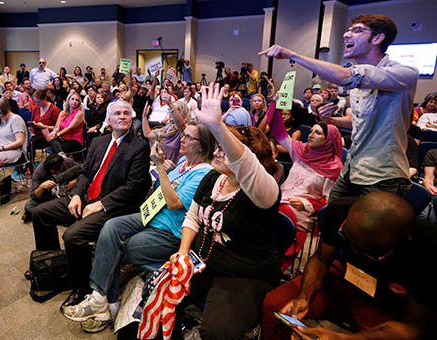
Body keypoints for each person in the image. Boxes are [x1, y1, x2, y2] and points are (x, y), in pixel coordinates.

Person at [62, 122, 216, 332]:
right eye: (183, 135)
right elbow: (158, 191)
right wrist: (164, 171)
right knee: (111, 227)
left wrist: (160, 167)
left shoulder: (204, 174)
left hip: (168, 231)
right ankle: (102, 299)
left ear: (202, 145)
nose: (182, 139)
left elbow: (173, 202)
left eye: (189, 137)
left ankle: (107, 305)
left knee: (114, 249)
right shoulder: (182, 163)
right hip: (150, 217)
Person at [260, 14, 418, 200]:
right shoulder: (358, 86)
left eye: (357, 30)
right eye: (348, 29)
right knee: (329, 219)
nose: (346, 35)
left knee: (365, 228)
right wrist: (330, 120)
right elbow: (357, 121)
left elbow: (345, 77)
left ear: (377, 38)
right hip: (352, 167)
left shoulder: (404, 73)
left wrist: (292, 55)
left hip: (382, 175)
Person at [169, 83, 281, 340]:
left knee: (218, 332)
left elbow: (246, 162)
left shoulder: (263, 190)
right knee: (162, 294)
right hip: (203, 262)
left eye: (224, 148)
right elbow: (193, 217)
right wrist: (183, 253)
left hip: (244, 274)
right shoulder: (212, 178)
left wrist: (218, 126)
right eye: (218, 146)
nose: (217, 152)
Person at [261, 192, 436, 340]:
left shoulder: (426, 251)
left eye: (365, 251)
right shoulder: (339, 212)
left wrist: (344, 338)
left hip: (389, 302)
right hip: (344, 278)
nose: (352, 250)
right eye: (348, 239)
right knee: (275, 304)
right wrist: (304, 296)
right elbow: (322, 259)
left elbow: (413, 327)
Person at [31, 100, 150, 310]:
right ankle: (53, 263)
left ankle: (82, 287)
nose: (122, 117)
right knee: (39, 212)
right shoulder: (99, 142)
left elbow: (133, 188)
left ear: (131, 118)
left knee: (73, 236)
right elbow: (85, 173)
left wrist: (101, 205)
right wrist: (76, 194)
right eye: (117, 114)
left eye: (126, 113)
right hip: (85, 198)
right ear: (109, 120)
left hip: (114, 206)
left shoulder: (139, 147)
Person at [267, 101, 343, 232]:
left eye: (318, 133)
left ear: (328, 140)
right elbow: (277, 129)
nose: (311, 135)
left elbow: (329, 204)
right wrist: (276, 102)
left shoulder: (334, 167)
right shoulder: (300, 151)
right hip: (280, 199)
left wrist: (306, 204)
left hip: (302, 211)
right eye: (311, 131)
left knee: (273, 216)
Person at [23, 154, 76, 222]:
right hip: (49, 197)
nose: (57, 173)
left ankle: (45, 215)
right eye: (54, 172)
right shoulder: (39, 171)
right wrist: (41, 187)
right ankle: (57, 216)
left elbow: (84, 174)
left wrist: (75, 182)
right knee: (29, 206)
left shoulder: (68, 162)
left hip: (67, 196)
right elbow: (35, 197)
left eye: (59, 171)